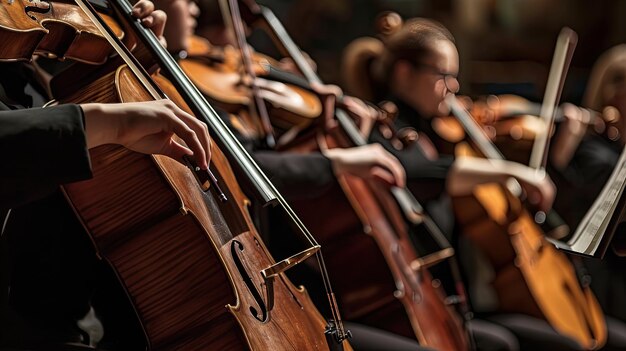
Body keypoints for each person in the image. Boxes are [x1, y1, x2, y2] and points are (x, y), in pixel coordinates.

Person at [342, 14, 626, 350]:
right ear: (404, 73)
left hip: (456, 303)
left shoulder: (437, 132)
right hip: (416, 304)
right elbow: (426, 173)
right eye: (444, 75)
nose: (454, 87)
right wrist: (511, 171)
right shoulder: (388, 132)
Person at [0, 2, 212, 350]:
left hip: (73, 313)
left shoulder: (23, 57)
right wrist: (114, 121)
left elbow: (50, 118)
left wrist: (127, 64)